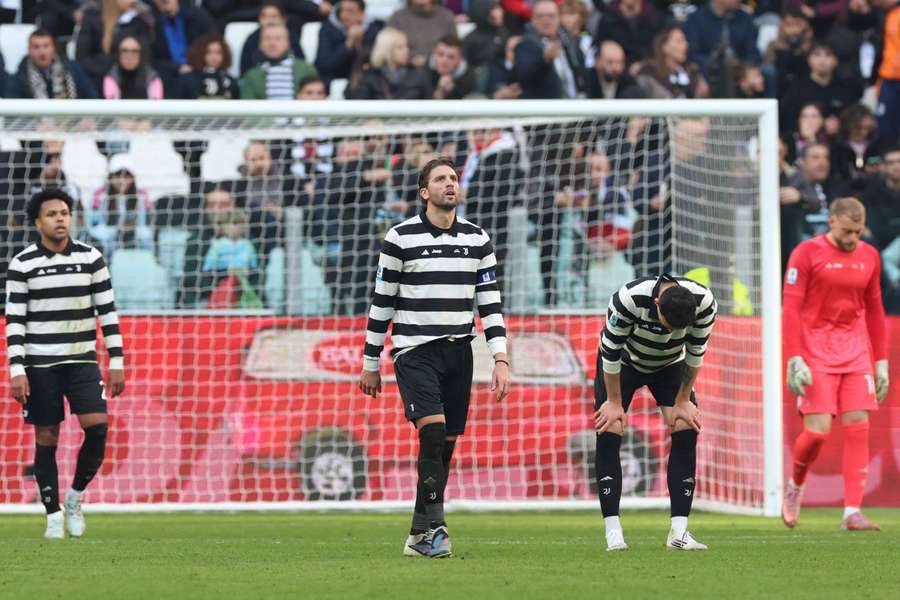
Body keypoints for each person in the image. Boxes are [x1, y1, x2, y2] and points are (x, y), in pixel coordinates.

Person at [358, 158, 510, 558]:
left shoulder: (478, 239)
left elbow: (490, 305)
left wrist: (500, 358)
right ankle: (438, 530)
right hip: (414, 351)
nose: (450, 183)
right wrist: (371, 363)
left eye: (454, 178)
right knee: (432, 432)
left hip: (459, 352)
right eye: (441, 179)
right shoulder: (400, 238)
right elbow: (381, 303)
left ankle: (416, 534)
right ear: (425, 192)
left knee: (444, 447)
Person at [5, 189, 126, 539]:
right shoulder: (23, 264)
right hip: (40, 364)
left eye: (64, 213)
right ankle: (53, 515)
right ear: (37, 222)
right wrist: (17, 370)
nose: (60, 219)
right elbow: (15, 322)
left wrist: (116, 360)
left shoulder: (91, 258)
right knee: (47, 437)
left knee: (98, 428)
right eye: (52, 214)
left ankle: (74, 497)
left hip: (82, 360)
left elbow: (107, 312)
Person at [781, 197, 890, 531]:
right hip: (815, 351)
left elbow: (875, 309)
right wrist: (794, 356)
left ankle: (852, 511)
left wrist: (881, 361)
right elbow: (791, 307)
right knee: (817, 433)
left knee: (859, 424)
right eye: (846, 231)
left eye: (858, 231)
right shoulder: (806, 253)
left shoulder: (869, 256)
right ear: (831, 222)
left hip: (855, 351)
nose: (852, 238)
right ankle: (795, 485)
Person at [595, 273, 717, 551]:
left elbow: (695, 352)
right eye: (667, 325)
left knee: (685, 425)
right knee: (610, 427)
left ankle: (679, 533)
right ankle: (613, 531)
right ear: (656, 303)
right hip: (624, 364)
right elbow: (610, 352)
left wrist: (683, 399)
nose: (671, 333)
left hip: (671, 365)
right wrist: (614, 402)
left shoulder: (705, 303)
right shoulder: (628, 299)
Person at [512, 0, 586, 99]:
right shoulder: (525, 45)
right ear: (532, 20)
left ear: (559, 18)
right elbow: (524, 76)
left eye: (551, 16)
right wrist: (545, 60)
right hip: (545, 105)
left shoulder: (569, 41)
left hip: (576, 102)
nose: (546, 21)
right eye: (540, 16)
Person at [345, 27, 432, 99]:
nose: (406, 51)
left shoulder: (418, 75)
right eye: (400, 47)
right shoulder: (370, 77)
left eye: (406, 46)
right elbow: (358, 106)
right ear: (387, 50)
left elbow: (430, 104)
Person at [11, 30, 98, 99]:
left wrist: (86, 115)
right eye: (36, 47)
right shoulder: (20, 76)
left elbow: (92, 95)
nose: (42, 52)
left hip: (72, 116)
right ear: (29, 50)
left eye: (46, 46)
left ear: (53, 48)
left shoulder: (72, 69)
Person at [239, 23, 318, 99]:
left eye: (278, 38)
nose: (272, 43)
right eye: (267, 38)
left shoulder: (306, 70)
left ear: (288, 43)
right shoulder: (251, 76)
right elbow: (247, 105)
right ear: (260, 44)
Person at [315, 0, 383, 85]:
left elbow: (375, 62)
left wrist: (359, 43)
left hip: (364, 80)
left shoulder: (373, 30)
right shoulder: (328, 30)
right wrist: (348, 44)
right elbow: (324, 65)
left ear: (362, 14)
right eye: (342, 10)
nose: (343, 15)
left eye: (350, 11)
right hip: (335, 78)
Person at [239, 0, 306, 76]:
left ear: (283, 19)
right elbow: (245, 71)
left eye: (274, 16)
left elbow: (301, 65)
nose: (269, 20)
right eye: (264, 17)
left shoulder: (292, 38)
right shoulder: (252, 40)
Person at [386, 0, 456, 67]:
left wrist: (434, 61)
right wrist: (410, 61)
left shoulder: (446, 16)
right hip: (405, 69)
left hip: (439, 69)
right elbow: (387, 50)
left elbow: (455, 49)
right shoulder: (397, 18)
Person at [179, 33, 241, 99]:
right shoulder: (187, 81)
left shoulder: (231, 82)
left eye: (218, 52)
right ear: (199, 53)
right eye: (208, 52)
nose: (214, 57)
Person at [103, 35, 165, 99]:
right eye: (124, 51)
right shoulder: (112, 77)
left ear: (141, 55)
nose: (129, 56)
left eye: (134, 51)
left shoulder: (152, 78)